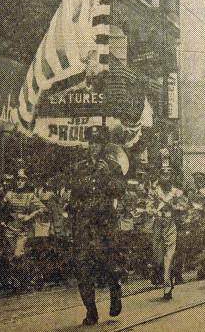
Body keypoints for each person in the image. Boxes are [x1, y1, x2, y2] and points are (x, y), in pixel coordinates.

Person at [67, 126, 126, 326]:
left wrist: (107, 175)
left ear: (103, 146)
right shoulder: (79, 167)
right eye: (91, 143)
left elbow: (119, 191)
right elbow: (73, 196)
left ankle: (115, 292)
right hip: (84, 226)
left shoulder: (112, 166)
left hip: (104, 225)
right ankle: (91, 311)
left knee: (109, 265)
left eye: (97, 143)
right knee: (82, 269)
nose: (93, 147)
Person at [149, 167, 184, 300]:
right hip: (157, 224)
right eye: (164, 174)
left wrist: (175, 207)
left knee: (169, 257)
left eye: (169, 174)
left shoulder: (176, 192)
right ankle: (162, 275)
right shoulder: (153, 191)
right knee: (158, 258)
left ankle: (167, 288)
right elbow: (147, 205)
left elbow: (184, 207)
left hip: (170, 224)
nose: (166, 177)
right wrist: (152, 209)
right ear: (160, 176)